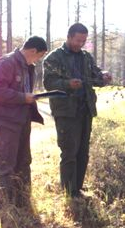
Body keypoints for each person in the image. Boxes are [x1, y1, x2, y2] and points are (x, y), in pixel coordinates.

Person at [43, 23, 112, 197]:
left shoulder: (86, 57)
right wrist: (67, 84)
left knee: (83, 151)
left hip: (85, 110)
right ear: (69, 37)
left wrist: (104, 77)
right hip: (66, 112)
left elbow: (95, 77)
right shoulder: (54, 58)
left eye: (84, 40)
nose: (81, 43)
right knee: (69, 152)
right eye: (78, 40)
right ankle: (69, 191)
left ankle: (78, 188)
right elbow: (49, 84)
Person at [0, 36, 48, 207]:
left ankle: (22, 202)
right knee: (5, 164)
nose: (39, 60)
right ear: (33, 51)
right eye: (40, 56)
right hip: (7, 122)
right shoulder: (6, 63)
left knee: (23, 161)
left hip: (22, 120)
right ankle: (4, 207)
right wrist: (23, 98)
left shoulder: (27, 66)